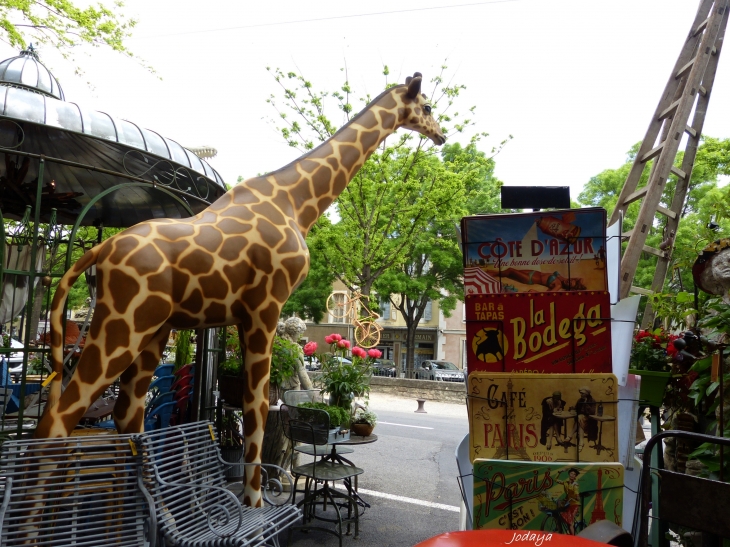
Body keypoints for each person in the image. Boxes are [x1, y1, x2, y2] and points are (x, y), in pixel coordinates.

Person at [276, 317, 314, 392]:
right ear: (295, 333)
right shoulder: (295, 349)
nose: (301, 336)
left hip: (277, 388)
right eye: (300, 333)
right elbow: (302, 373)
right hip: (291, 389)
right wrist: (314, 396)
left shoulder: (277, 345)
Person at [485, 267, 586, 292]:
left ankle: (492, 274)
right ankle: (492, 273)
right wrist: (576, 281)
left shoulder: (558, 285)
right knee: (509, 273)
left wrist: (535, 292)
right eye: (570, 280)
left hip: (530, 278)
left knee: (511, 271)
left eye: (569, 284)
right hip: (533, 272)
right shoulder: (562, 278)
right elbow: (557, 273)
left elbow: (548, 296)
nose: (568, 281)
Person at [567, 386, 598, 451]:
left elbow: (592, 412)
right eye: (581, 393)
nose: (581, 395)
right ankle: (581, 443)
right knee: (580, 419)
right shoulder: (579, 400)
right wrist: (572, 408)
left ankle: (570, 436)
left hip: (589, 420)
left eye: (582, 393)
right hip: (581, 419)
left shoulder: (592, 401)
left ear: (587, 394)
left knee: (580, 418)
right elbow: (576, 409)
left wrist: (586, 403)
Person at [554, 468, 581, 535]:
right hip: (568, 503)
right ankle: (561, 532)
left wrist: (577, 497)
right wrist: (559, 472)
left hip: (574, 505)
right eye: (571, 473)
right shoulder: (565, 483)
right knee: (559, 517)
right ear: (569, 474)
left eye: (574, 474)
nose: (572, 475)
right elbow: (556, 480)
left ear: (575, 477)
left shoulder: (575, 484)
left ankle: (574, 539)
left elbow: (576, 493)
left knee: (570, 523)